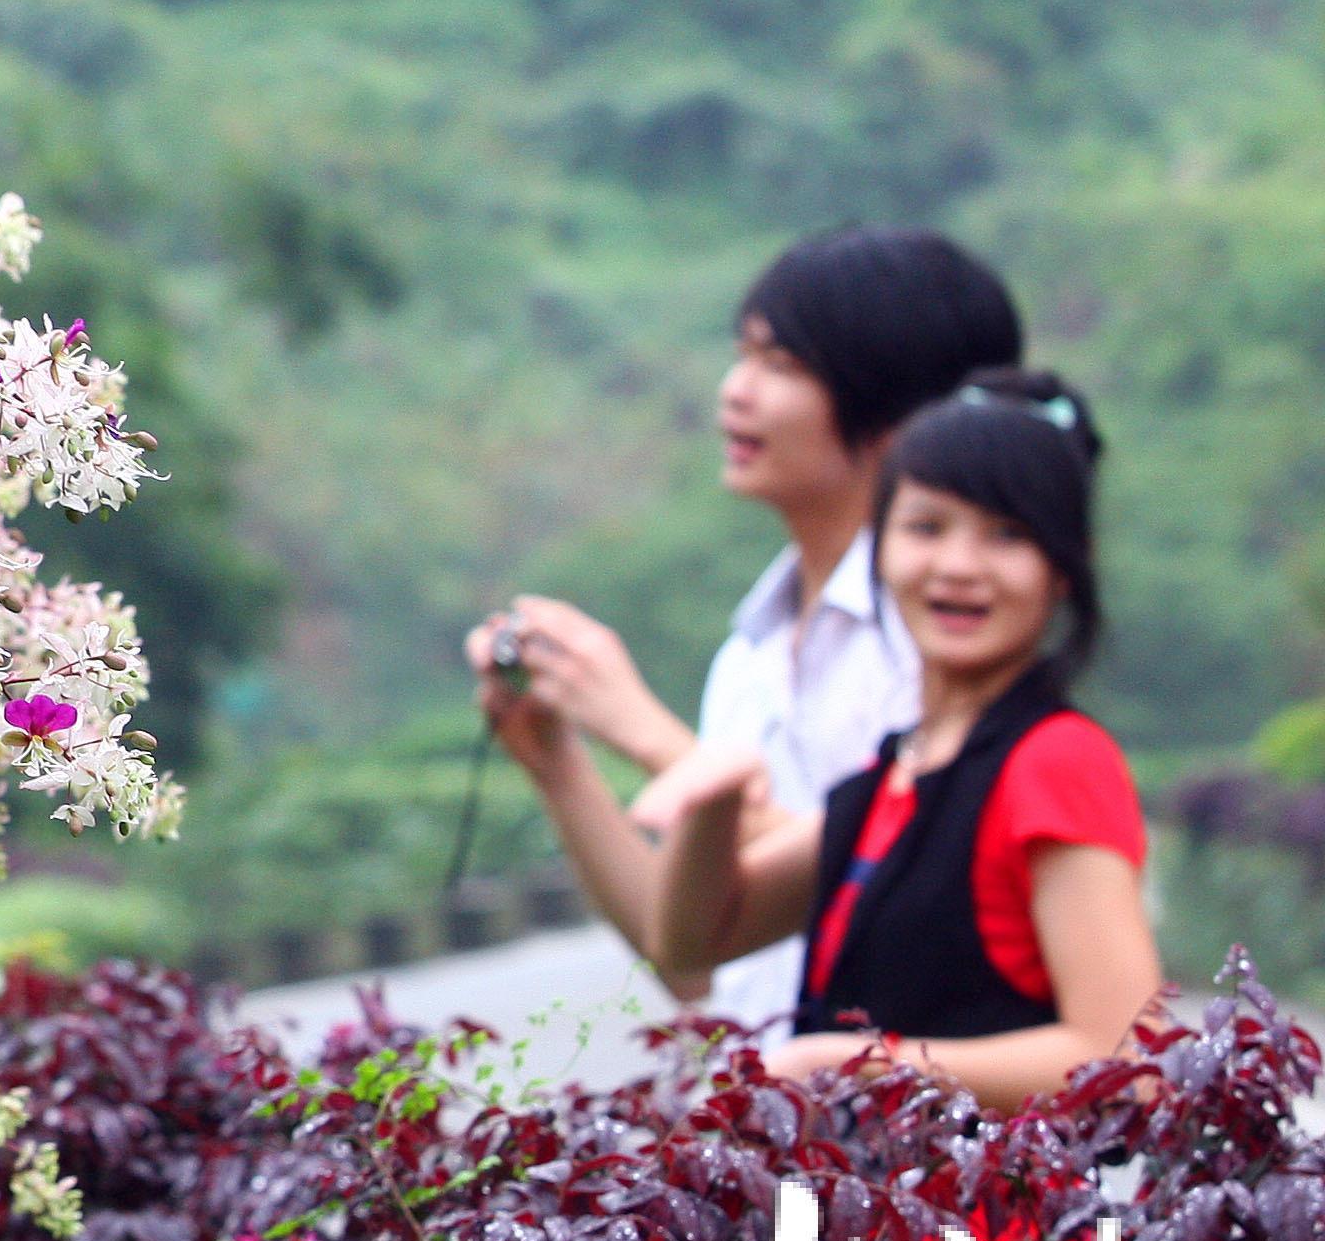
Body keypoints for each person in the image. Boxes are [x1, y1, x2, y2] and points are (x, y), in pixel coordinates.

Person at [495, 371, 1161, 1112]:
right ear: (879, 545)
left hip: (990, 1230)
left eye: (1008, 534)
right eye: (926, 527)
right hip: (867, 1226)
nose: (959, 566)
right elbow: (689, 943)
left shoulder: (1053, 760)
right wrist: (712, 793)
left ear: (1067, 566)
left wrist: (860, 1066)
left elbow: (1126, 1061)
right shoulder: (900, 770)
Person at [465, 226, 1024, 1030]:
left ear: (903, 415)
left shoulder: (943, 639)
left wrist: (651, 735)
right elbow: (694, 956)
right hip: (774, 1136)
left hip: (917, 1133)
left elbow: (919, 888)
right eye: (744, 356)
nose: (735, 391)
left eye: (782, 366)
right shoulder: (753, 650)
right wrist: (554, 758)